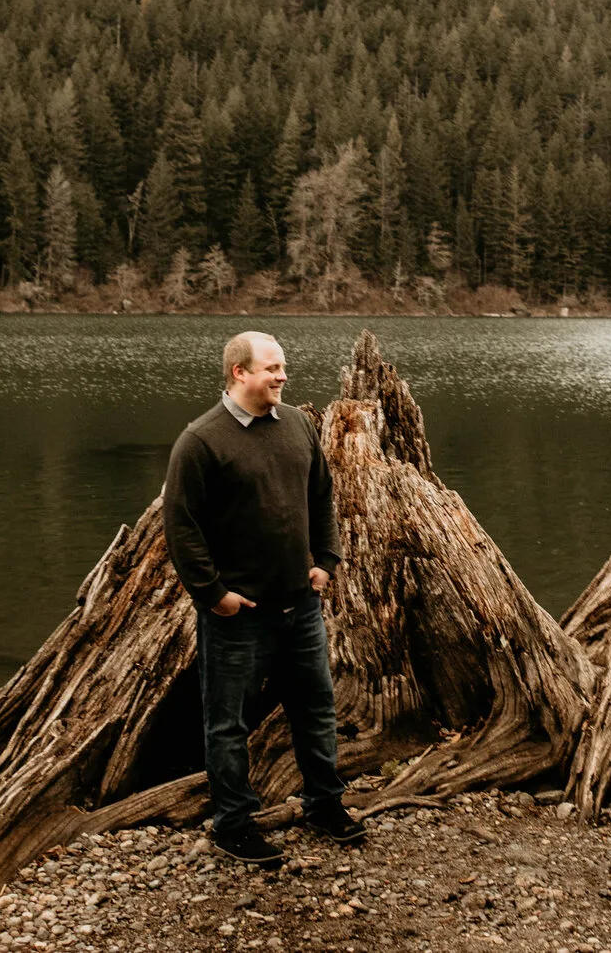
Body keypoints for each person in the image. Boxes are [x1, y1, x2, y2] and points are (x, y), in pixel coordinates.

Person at [163, 330, 366, 864]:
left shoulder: (298, 424)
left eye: (282, 367)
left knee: (315, 709)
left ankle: (324, 804)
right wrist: (215, 595)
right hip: (238, 616)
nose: (282, 376)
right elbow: (181, 528)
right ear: (240, 372)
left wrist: (326, 560)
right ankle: (232, 824)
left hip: (300, 606)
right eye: (272, 368)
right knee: (228, 722)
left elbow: (322, 495)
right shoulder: (201, 441)